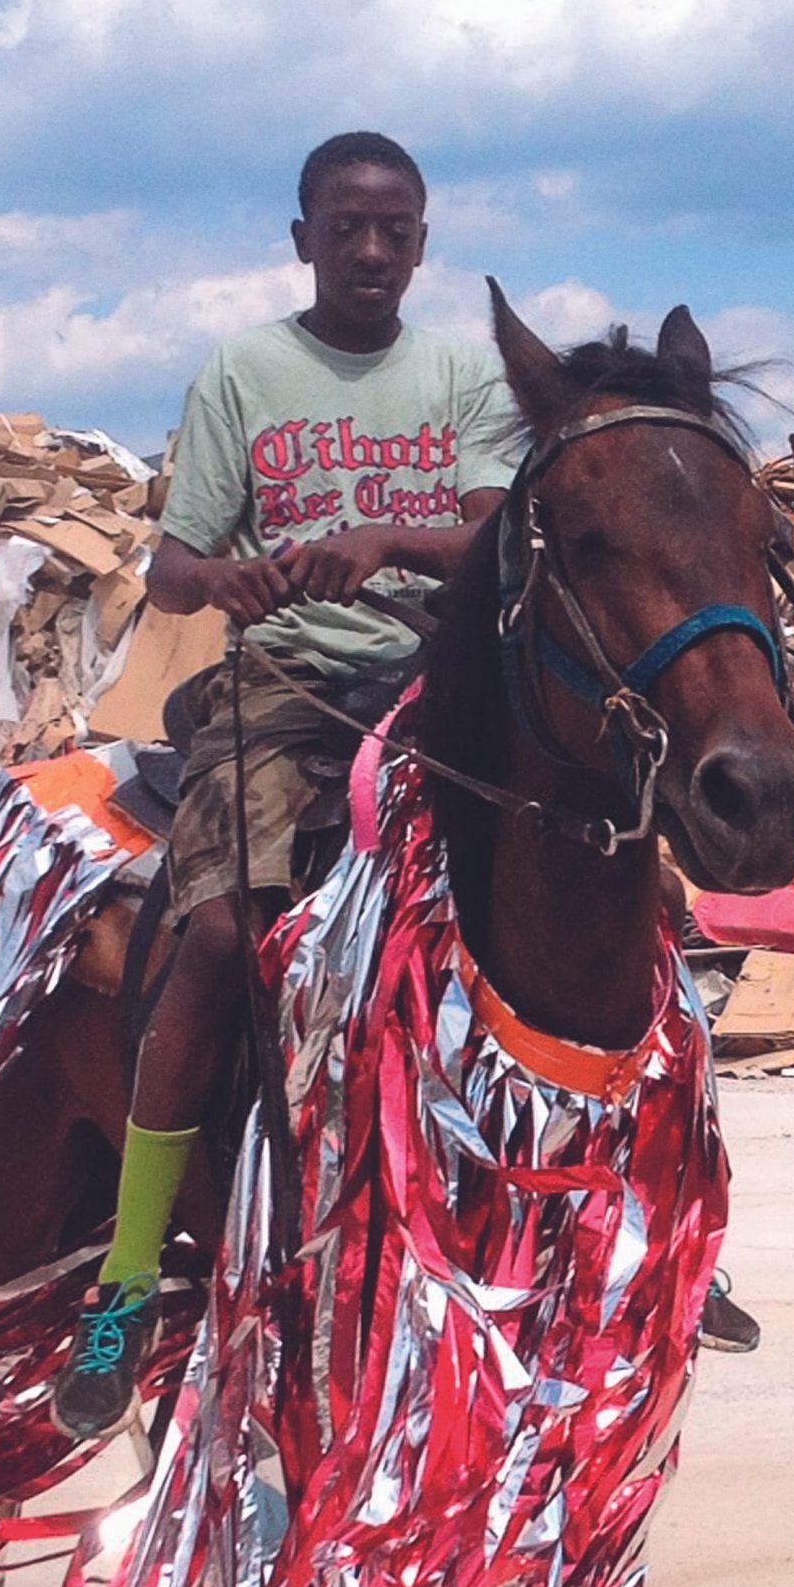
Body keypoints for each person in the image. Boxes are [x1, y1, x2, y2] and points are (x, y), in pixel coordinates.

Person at [54, 130, 518, 1436]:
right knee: (213, 938)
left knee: (604, 895)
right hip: (288, 692)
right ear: (303, 238)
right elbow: (171, 571)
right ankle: (128, 1277)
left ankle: (646, 1214)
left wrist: (386, 541)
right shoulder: (244, 372)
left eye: (395, 230)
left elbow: (497, 532)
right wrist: (232, 578)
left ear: (421, 243)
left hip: (439, 692)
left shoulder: (462, 374)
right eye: (346, 227)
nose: (371, 250)